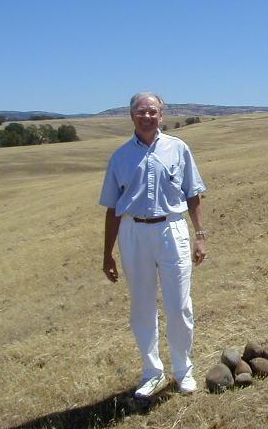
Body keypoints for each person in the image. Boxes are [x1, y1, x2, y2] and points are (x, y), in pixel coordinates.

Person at [99, 92, 207, 398]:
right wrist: (107, 254)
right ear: (131, 116)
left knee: (179, 305)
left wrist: (200, 236)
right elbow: (112, 207)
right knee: (142, 306)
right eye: (141, 112)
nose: (147, 117)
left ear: (162, 115)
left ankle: (183, 370)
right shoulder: (120, 157)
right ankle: (151, 372)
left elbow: (193, 194)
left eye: (153, 111)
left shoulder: (178, 148)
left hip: (172, 230)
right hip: (133, 233)